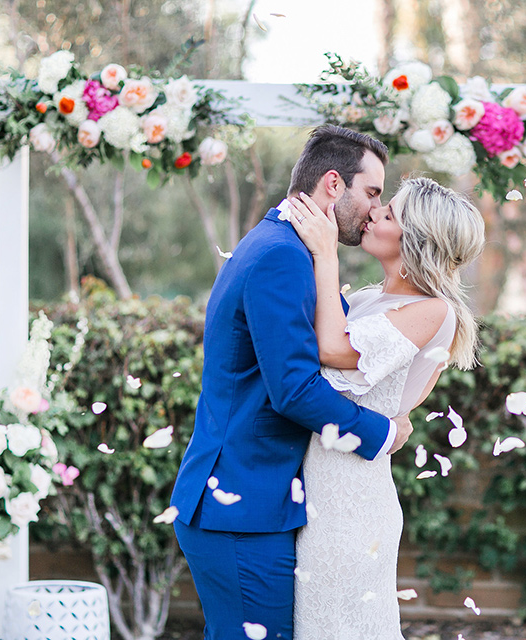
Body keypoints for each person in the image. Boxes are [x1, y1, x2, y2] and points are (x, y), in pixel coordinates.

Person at [170, 125, 414, 640]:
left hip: (254, 502)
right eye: (371, 193)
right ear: (332, 184)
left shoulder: (284, 246)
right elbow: (294, 390)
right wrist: (382, 433)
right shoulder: (283, 255)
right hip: (240, 508)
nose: (375, 209)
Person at [286, 176, 485, 639]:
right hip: (316, 487)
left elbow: (332, 350)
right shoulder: (371, 299)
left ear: (417, 239)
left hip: (348, 503)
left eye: (389, 213)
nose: (373, 213)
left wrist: (326, 252)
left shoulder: (434, 310)